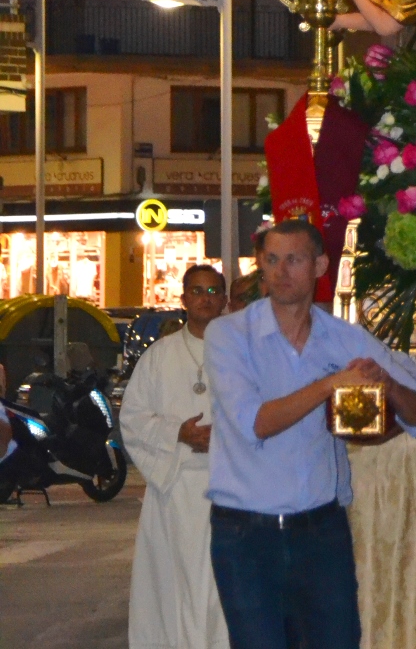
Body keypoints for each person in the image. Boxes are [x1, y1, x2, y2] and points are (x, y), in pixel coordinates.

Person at [203, 219, 416, 649]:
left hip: (321, 532)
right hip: (244, 537)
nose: (280, 271)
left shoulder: (343, 337)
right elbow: (254, 423)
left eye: (293, 259)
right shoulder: (228, 335)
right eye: (271, 260)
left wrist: (388, 385)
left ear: (319, 265)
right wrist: (331, 384)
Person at [120, 264, 230, 649]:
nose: (205, 298)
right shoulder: (159, 356)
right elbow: (132, 418)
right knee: (172, 584)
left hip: (229, 490)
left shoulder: (240, 354)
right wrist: (178, 434)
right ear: (183, 299)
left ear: (224, 301)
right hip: (175, 488)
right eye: (197, 290)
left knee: (221, 588)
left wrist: (226, 439)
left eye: (213, 291)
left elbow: (262, 413)